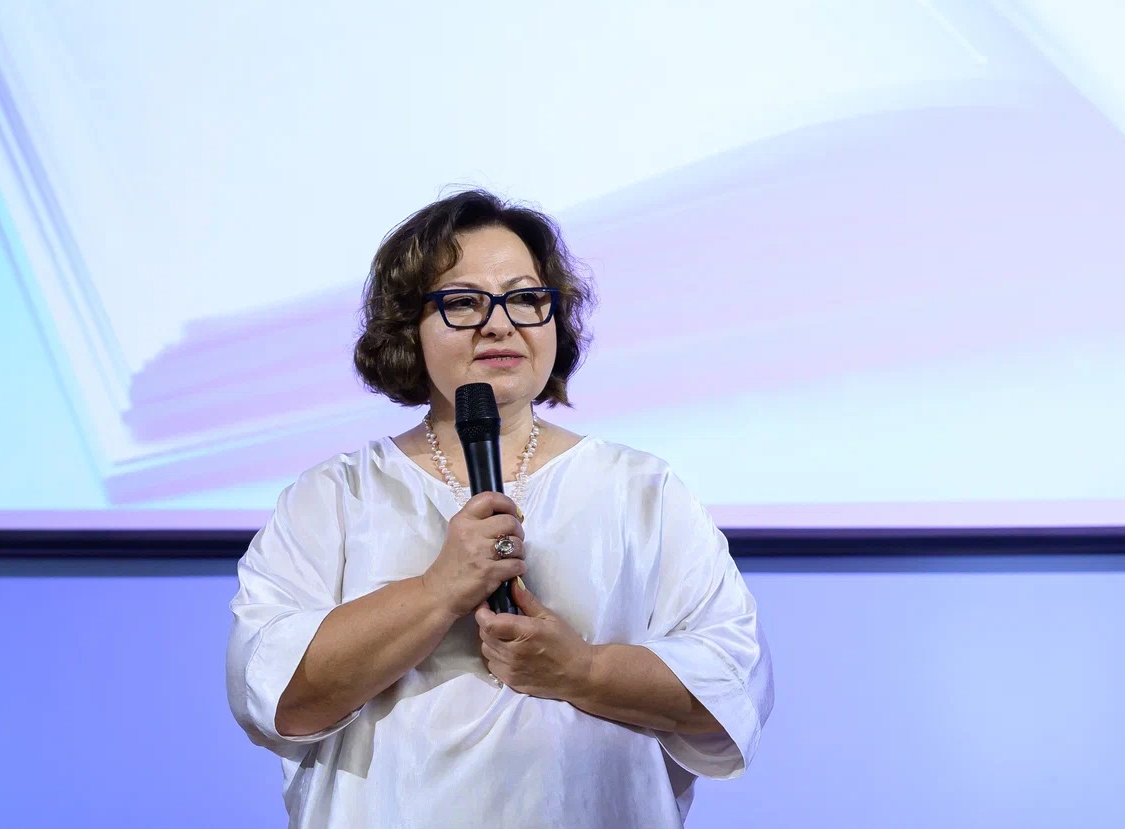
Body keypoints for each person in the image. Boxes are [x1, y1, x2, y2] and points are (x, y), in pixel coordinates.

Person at [226, 189, 774, 828]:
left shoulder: (641, 489)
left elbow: (734, 690)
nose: (499, 324)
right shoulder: (336, 496)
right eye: (463, 302)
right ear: (408, 327)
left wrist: (584, 670)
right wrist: (437, 591)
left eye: (525, 298)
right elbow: (274, 695)